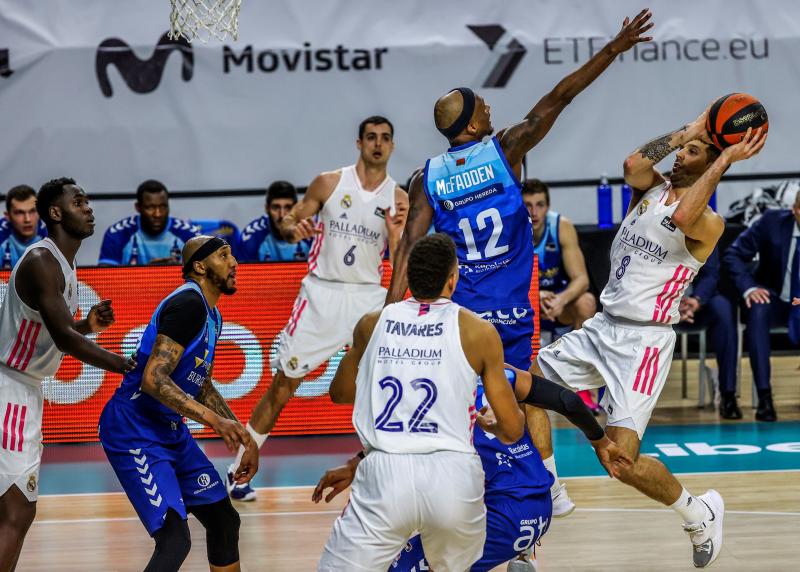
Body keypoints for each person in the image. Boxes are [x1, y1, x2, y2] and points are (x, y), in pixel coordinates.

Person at [386, 10, 654, 517]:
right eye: (481, 103)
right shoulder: (506, 149)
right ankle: (542, 492)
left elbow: (406, 251)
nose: (490, 104)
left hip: (462, 316)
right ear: (470, 122)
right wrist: (612, 51)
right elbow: (561, 96)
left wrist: (387, 313)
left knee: (470, 406)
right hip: (511, 313)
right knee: (527, 392)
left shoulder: (426, 178)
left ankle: (467, 496)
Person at [533, 101, 766, 567]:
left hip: (643, 343)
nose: (680, 156)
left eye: (692, 152)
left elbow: (684, 220)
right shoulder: (652, 189)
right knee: (531, 382)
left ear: (710, 163)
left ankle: (697, 513)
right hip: (603, 326)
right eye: (684, 150)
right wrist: (691, 130)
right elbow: (632, 164)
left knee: (618, 460)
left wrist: (723, 157)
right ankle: (548, 487)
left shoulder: (709, 222)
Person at [227, 116, 409, 501]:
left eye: (385, 138)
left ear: (393, 146)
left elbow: (404, 258)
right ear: (359, 142)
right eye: (371, 137)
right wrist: (293, 227)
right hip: (322, 294)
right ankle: (238, 472)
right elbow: (292, 217)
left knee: (385, 385)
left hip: (368, 298)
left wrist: (396, 240)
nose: (378, 144)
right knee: (283, 385)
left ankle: (386, 473)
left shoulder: (398, 199)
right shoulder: (330, 182)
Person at [318, 233, 525, 571]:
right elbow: (513, 429)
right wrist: (490, 422)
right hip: (454, 475)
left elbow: (339, 393)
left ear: (409, 278)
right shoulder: (479, 332)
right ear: (453, 278)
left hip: (385, 474)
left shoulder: (372, 324)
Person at [314, 361, 631, 572]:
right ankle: (520, 555)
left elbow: (396, 444)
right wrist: (601, 442)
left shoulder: (429, 397)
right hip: (540, 506)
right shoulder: (497, 372)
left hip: (504, 516)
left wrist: (356, 466)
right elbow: (569, 402)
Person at [98, 235, 258, 572]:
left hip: (170, 430)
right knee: (175, 539)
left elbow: (203, 385)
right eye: (224, 255)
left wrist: (244, 438)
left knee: (224, 521)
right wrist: (215, 422)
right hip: (134, 430)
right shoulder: (188, 305)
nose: (234, 263)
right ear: (200, 266)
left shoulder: (213, 317)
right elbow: (153, 379)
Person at [0, 177, 135, 570]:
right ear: (56, 213)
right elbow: (64, 340)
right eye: (79, 201)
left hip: (21, 387)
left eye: (88, 200)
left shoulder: (62, 262)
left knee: (11, 510)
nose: (89, 207)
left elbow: (55, 331)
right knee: (17, 511)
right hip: (10, 388)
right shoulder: (43, 261)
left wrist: (87, 327)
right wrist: (123, 365)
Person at [722, 189, 800, 422]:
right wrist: (749, 287)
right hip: (776, 298)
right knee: (758, 308)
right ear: (795, 211)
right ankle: (764, 397)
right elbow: (733, 254)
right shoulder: (772, 222)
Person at [523, 178, 599, 412]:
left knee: (586, 302)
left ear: (548, 205)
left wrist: (560, 299)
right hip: (526, 304)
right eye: (528, 205)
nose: (534, 212)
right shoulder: (512, 229)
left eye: (540, 205)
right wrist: (537, 294)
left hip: (556, 306)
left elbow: (582, 279)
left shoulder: (561, 227)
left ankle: (583, 389)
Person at [676, 247, 740, 419]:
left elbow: (711, 274)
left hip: (696, 302)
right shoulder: (653, 227)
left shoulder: (705, 224)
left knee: (723, 308)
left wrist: (697, 300)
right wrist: (671, 304)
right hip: (656, 302)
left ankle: (728, 394)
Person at [98, 179, 199, 266]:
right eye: (150, 207)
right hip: (133, 289)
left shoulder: (190, 235)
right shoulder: (117, 234)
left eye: (163, 207)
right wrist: (148, 274)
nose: (157, 214)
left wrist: (174, 272)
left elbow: (205, 278)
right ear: (138, 207)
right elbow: (105, 282)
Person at [238, 180, 311, 262]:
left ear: (296, 208)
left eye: (288, 207)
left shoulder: (309, 233)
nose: (282, 215)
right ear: (267, 209)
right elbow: (245, 274)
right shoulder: (252, 236)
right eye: (276, 207)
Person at [1, 185, 47, 270]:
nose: (27, 219)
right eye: (19, 213)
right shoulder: (1, 239)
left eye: (32, 211)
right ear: (7, 216)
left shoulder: (53, 235)